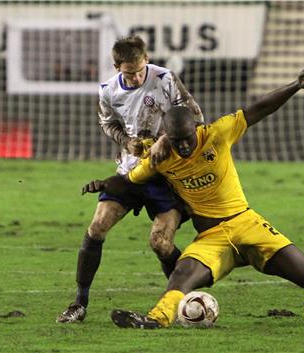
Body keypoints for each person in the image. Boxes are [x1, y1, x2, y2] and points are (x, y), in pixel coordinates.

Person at [83, 66, 304, 328]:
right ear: (167, 139)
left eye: (189, 137)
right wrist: (104, 183)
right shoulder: (160, 158)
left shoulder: (217, 134)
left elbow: (258, 108)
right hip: (212, 238)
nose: (185, 145)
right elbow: (129, 180)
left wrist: (295, 85)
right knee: (181, 273)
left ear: (196, 128)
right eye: (177, 141)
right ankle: (154, 321)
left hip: (248, 225)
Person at [57, 35, 203, 323]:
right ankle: (79, 303)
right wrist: (125, 141)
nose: (136, 78)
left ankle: (181, 300)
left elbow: (195, 116)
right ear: (116, 67)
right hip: (130, 173)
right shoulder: (108, 91)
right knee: (97, 226)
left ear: (146, 59)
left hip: (166, 177)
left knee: (160, 243)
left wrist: (165, 140)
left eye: (139, 71)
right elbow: (107, 123)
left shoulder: (166, 79)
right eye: (129, 73)